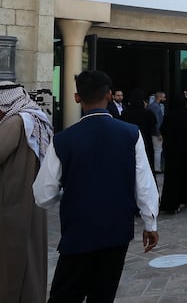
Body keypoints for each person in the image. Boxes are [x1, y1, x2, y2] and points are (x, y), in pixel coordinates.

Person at [33, 70, 158, 302]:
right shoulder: (131, 134)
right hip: (116, 231)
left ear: (77, 97)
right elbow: (144, 184)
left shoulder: (63, 140)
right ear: (110, 95)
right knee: (103, 294)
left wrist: (71, 191)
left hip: (78, 232)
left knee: (65, 295)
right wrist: (150, 222)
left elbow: (43, 195)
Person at [0, 82, 52, 302]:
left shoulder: (15, 122)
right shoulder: (35, 118)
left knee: (14, 257)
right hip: (31, 201)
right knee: (30, 254)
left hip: (13, 201)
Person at [159, 87, 187, 213]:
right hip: (186, 152)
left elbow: (162, 130)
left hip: (172, 152)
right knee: (185, 177)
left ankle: (170, 204)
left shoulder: (168, 116)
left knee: (171, 179)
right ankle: (185, 198)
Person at [121, 88, 158, 173]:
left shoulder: (125, 113)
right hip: (146, 144)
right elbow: (153, 128)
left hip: (129, 145)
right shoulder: (148, 114)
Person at [148, 91, 166, 172]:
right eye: (163, 97)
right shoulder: (156, 107)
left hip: (155, 131)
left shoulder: (155, 106)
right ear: (159, 97)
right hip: (156, 132)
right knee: (158, 150)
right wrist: (159, 133)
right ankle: (157, 168)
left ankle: (157, 167)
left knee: (157, 150)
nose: (165, 99)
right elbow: (157, 121)